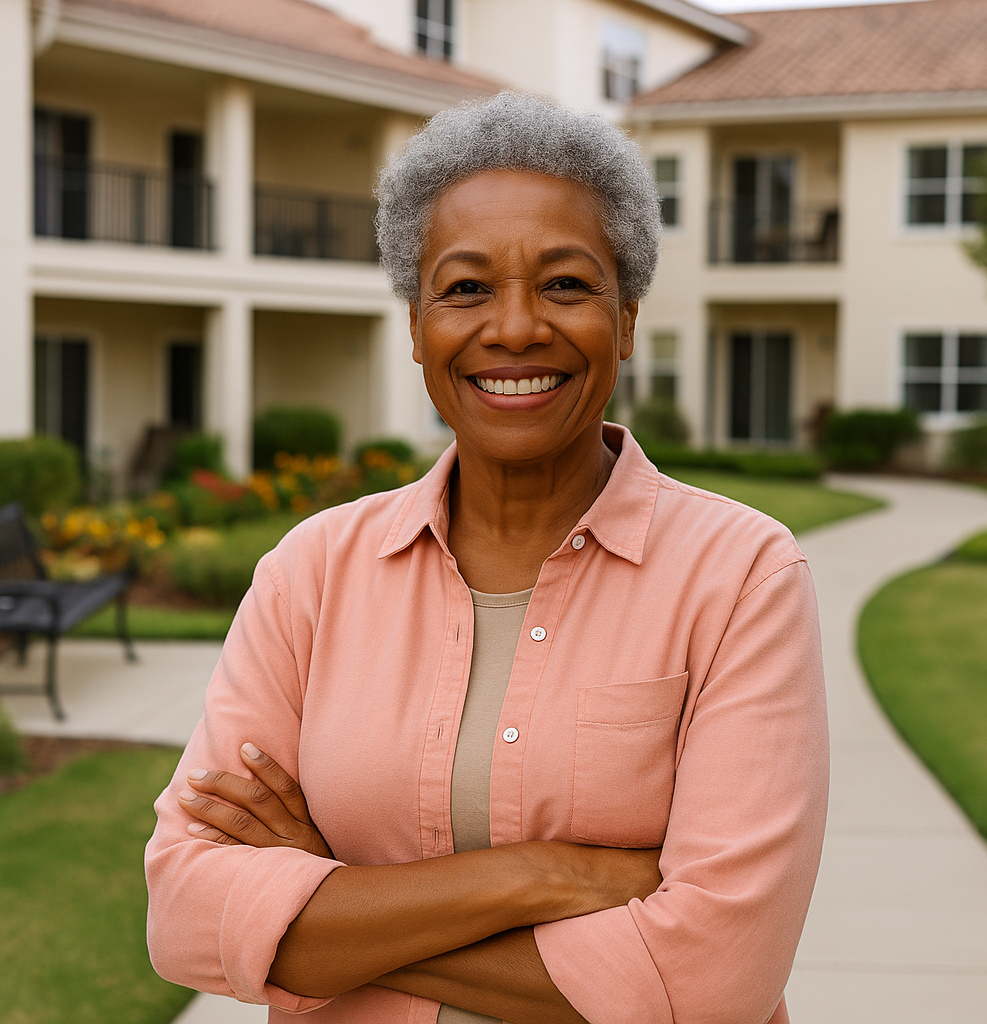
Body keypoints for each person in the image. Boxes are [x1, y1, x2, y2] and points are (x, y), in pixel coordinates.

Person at [145, 91, 829, 1024]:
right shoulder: (312, 572)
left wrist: (332, 902)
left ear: (626, 322)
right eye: (465, 288)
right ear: (418, 330)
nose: (514, 329)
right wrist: (544, 878)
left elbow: (716, 979)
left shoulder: (741, 576)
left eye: (565, 284)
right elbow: (185, 916)